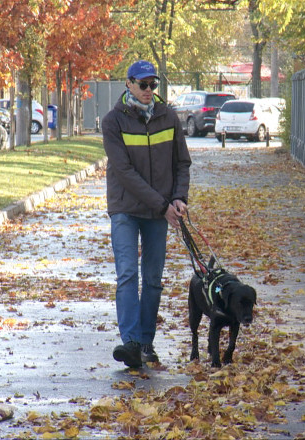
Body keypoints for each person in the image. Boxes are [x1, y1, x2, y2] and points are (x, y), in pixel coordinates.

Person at [101, 60, 192, 368]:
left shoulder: (169, 117)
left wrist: (179, 198)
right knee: (128, 274)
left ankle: (146, 343)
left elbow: (182, 163)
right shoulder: (113, 121)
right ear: (128, 84)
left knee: (152, 280)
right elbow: (124, 172)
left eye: (153, 85)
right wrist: (162, 205)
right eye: (143, 85)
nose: (149, 90)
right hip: (126, 208)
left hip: (159, 211)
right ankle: (131, 343)